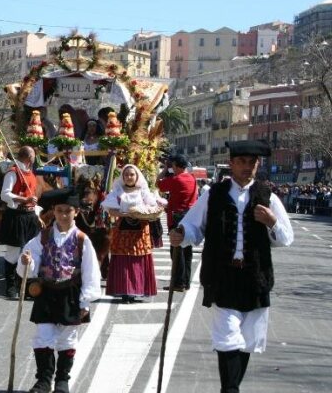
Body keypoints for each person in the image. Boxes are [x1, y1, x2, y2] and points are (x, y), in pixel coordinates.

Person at [170, 140, 293, 393]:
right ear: (232, 163)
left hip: (255, 277)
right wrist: (183, 234)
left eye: (252, 163)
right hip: (223, 276)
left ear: (257, 165)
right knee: (227, 338)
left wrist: (272, 223)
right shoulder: (213, 194)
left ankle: (231, 388)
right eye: (242, 162)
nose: (247, 167)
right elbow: (195, 226)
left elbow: (286, 239)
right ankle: (230, 390)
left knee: (247, 341)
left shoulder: (268, 196)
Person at [18, 187, 102, 393]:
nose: (63, 215)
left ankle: (62, 381)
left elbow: (91, 272)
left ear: (76, 212)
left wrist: (85, 302)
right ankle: (44, 381)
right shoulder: (43, 237)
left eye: (68, 211)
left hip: (70, 296)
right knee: (43, 335)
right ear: (54, 212)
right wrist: (26, 261)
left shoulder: (82, 239)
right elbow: (30, 263)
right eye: (59, 211)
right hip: (46, 293)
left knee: (67, 339)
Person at [101, 164, 159, 303]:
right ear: (122, 177)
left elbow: (152, 207)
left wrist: (140, 213)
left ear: (137, 176)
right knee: (123, 260)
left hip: (140, 230)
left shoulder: (143, 191)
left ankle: (137, 290)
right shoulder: (117, 191)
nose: (129, 177)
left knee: (138, 259)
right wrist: (125, 213)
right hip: (123, 230)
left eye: (132, 174)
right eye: (126, 175)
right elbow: (110, 210)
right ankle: (125, 292)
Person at [0, 146, 42, 299]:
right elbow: (4, 194)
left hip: (30, 216)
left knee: (30, 251)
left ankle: (26, 286)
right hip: (16, 217)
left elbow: (33, 199)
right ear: (29, 157)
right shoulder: (13, 172)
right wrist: (24, 199)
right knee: (12, 253)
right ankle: (10, 287)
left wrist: (37, 214)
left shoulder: (30, 173)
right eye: (33, 155)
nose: (34, 158)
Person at [156, 154, 198, 292]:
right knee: (187, 251)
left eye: (172, 166)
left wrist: (164, 170)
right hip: (190, 217)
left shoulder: (176, 179)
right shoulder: (192, 178)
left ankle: (178, 283)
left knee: (176, 251)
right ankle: (186, 281)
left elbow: (159, 183)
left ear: (176, 166)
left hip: (177, 217)